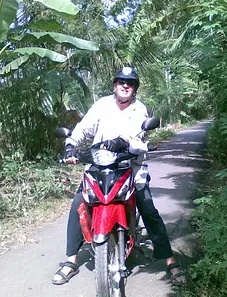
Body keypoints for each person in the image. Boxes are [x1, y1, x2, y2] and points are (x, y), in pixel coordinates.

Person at [52, 67, 185, 286]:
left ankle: (170, 260)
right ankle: (71, 261)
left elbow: (136, 135)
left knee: (148, 210)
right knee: (79, 205)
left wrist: (122, 141)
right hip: (100, 166)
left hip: (130, 168)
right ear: (114, 85)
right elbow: (83, 128)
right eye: (121, 81)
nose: (125, 85)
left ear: (134, 89)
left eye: (130, 83)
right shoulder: (102, 105)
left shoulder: (139, 109)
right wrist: (70, 146)